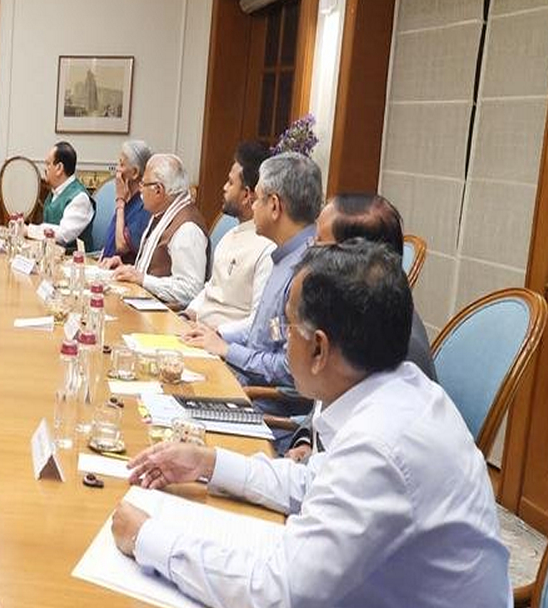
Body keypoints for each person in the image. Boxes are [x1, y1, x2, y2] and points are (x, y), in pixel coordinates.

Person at [113, 241, 523, 608]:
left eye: (287, 327)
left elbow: (278, 597)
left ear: (321, 347)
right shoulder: (394, 393)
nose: (281, 338)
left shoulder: (385, 444)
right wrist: (207, 465)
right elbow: (314, 487)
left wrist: (149, 539)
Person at [284, 194, 439, 462]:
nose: (308, 251)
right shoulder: (346, 315)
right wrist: (306, 442)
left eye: (319, 244)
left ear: (354, 256)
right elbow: (325, 405)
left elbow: (359, 460)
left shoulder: (398, 346)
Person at [180, 151, 323, 388]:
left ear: (275, 205)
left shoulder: (305, 270)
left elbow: (291, 368)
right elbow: (265, 333)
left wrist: (228, 350)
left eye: (258, 199)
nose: (253, 206)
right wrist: (218, 337)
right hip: (239, 376)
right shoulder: (283, 256)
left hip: (260, 401)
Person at [183, 140, 276, 329]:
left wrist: (216, 333)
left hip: (223, 346)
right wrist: (187, 315)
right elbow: (211, 288)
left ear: (247, 195)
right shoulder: (229, 235)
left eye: (231, 183)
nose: (224, 187)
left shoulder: (268, 247)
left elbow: (258, 322)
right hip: (196, 333)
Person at [111, 152, 207, 307]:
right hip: (144, 304)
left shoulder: (187, 228)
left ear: (158, 190)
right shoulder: (162, 214)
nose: (140, 190)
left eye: (143, 184)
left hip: (164, 318)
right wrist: (128, 269)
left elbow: (190, 291)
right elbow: (152, 270)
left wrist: (143, 279)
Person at [98, 139, 152, 263]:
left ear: (135, 172)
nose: (117, 170)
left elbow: (121, 246)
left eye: (121, 165)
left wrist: (120, 201)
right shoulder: (130, 200)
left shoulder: (144, 205)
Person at [30, 141, 91, 248]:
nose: (45, 169)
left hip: (72, 260)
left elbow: (63, 235)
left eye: (48, 164)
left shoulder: (80, 198)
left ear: (59, 168)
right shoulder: (55, 192)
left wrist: (30, 230)